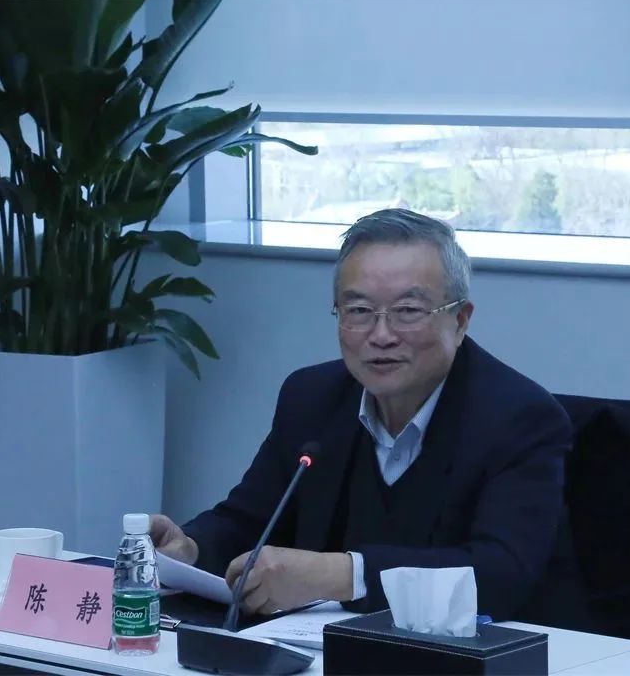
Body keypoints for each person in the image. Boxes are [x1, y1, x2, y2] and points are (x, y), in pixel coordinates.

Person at [150, 208, 571, 620]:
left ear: (460, 321)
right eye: (359, 311)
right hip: (319, 648)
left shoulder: (519, 418)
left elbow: (500, 574)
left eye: (408, 311)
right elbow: (250, 520)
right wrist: (191, 548)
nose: (381, 335)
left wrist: (341, 575)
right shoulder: (312, 398)